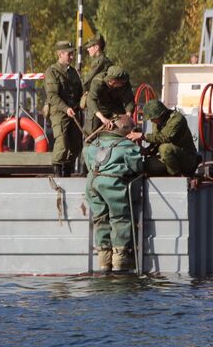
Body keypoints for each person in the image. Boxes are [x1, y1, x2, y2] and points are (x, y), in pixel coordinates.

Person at [84, 115, 143, 271]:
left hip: (92, 183)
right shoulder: (126, 146)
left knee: (100, 219)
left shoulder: (94, 143)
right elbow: (137, 166)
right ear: (127, 130)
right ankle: (119, 263)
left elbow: (87, 159)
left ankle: (104, 262)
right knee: (120, 218)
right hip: (112, 184)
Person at [126, 99, 200, 176]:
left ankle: (176, 176)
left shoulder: (177, 119)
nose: (152, 121)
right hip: (172, 158)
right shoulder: (157, 122)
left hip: (187, 159)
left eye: (153, 119)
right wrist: (146, 151)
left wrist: (142, 136)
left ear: (161, 114)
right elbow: (156, 141)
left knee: (165, 149)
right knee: (148, 164)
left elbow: (165, 138)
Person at [44, 40, 83, 177]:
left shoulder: (73, 72)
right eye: (69, 54)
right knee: (62, 144)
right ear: (60, 54)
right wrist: (66, 108)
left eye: (73, 54)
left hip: (74, 112)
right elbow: (52, 96)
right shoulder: (52, 71)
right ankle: (57, 173)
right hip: (59, 112)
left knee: (76, 144)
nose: (72, 57)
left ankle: (67, 170)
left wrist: (82, 101)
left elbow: (79, 91)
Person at [84, 65, 134, 137]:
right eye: (121, 82)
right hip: (98, 109)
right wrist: (102, 118)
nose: (124, 84)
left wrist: (128, 115)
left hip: (116, 108)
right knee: (92, 134)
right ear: (113, 81)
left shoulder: (125, 82)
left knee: (122, 131)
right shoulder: (98, 81)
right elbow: (91, 100)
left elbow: (129, 100)